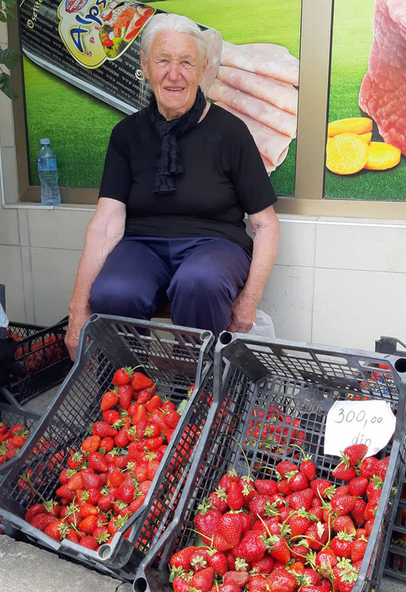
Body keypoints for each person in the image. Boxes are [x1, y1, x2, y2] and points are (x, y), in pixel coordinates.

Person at [65, 13, 280, 359]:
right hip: (142, 245)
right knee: (113, 291)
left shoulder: (230, 132)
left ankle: (203, 392)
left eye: (186, 62)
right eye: (163, 60)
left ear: (203, 68)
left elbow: (266, 224)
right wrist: (78, 308)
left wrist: (249, 301)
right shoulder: (127, 135)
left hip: (216, 245)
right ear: (145, 65)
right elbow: (105, 224)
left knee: (199, 282)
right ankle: (129, 395)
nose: (174, 74)